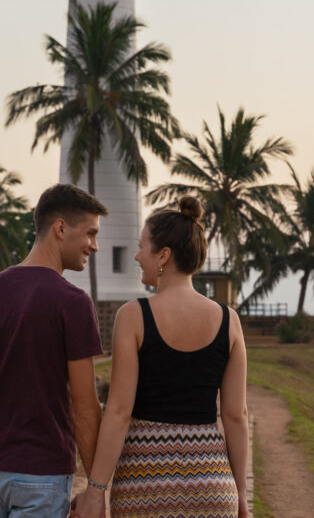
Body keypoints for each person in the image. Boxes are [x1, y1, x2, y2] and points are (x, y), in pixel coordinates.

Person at [72, 196, 249, 518]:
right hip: (211, 484)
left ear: (163, 255)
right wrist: (240, 495)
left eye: (143, 247)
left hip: (143, 486)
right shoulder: (229, 320)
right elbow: (236, 415)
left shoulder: (134, 316)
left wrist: (96, 490)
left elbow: (119, 412)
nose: (138, 256)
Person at [0, 183, 108, 518]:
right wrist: (97, 490)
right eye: (90, 233)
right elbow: (84, 407)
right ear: (60, 228)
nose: (95, 246)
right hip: (40, 474)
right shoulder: (72, 302)